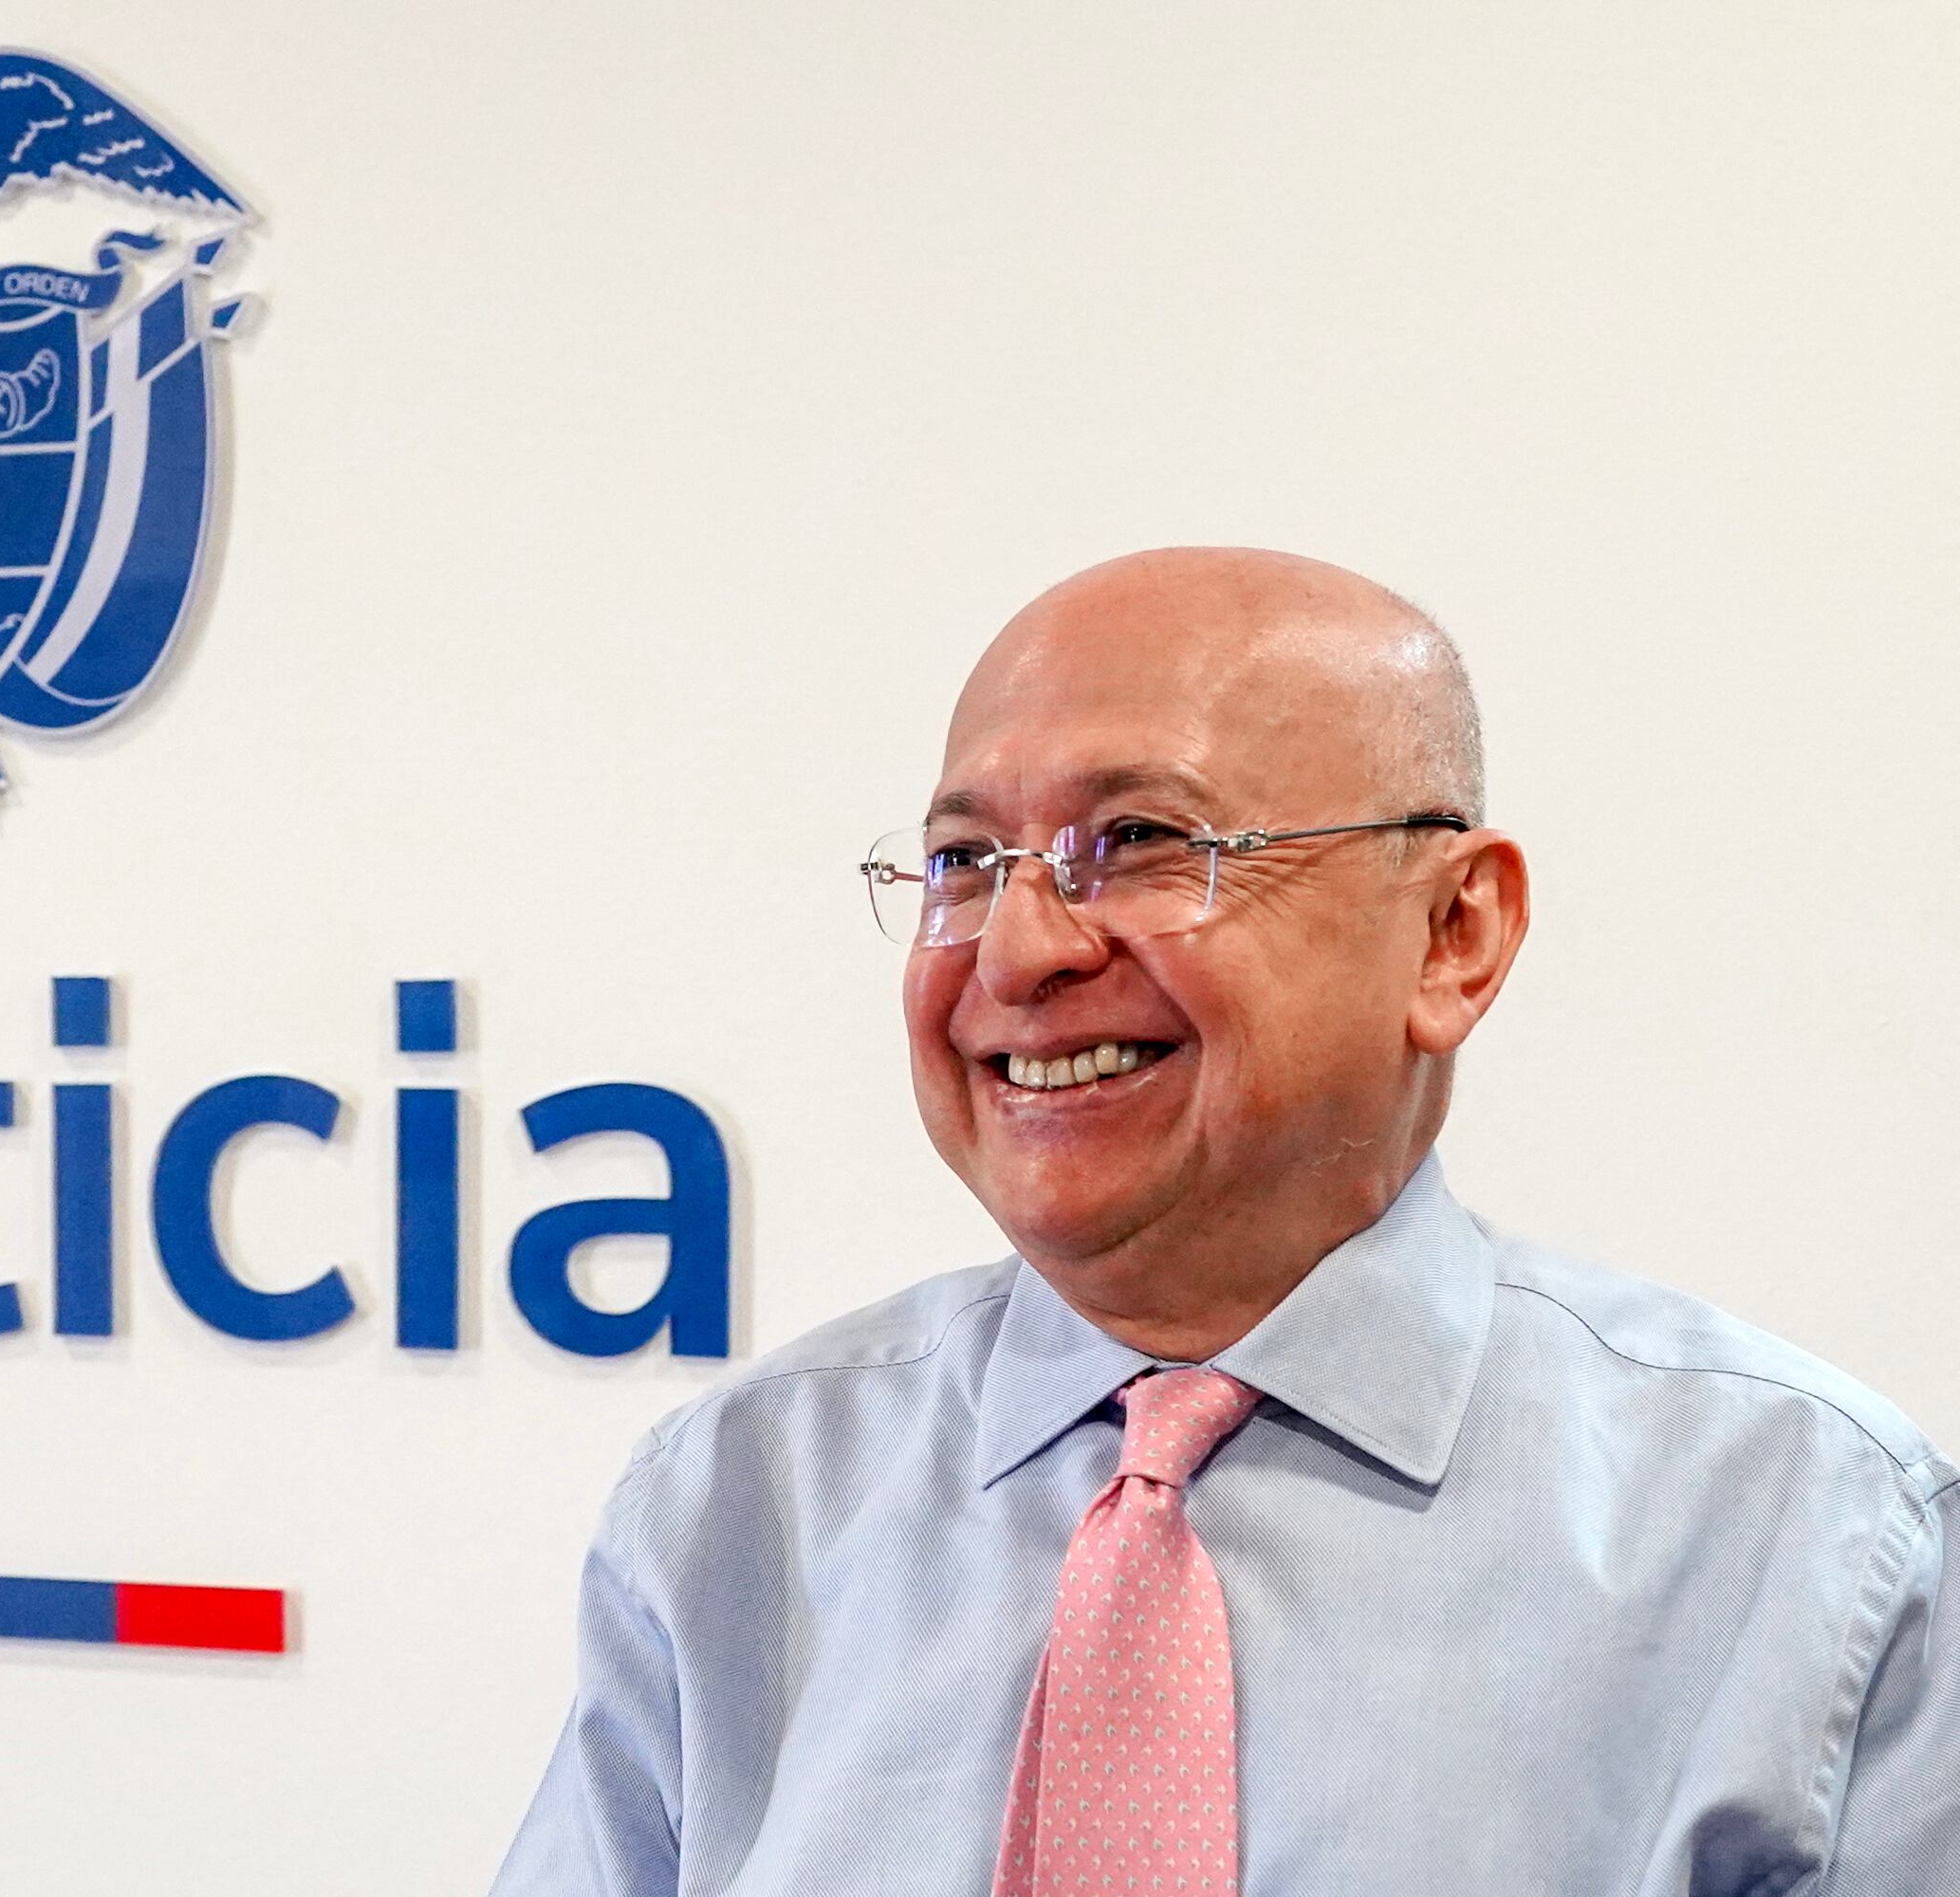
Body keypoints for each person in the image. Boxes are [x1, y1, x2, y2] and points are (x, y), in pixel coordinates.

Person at [490, 547, 1956, 1894]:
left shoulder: (1812, 1542)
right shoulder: (740, 1507)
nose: (1019, 948)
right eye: (963, 864)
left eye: (1134, 841)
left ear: (1456, 935)